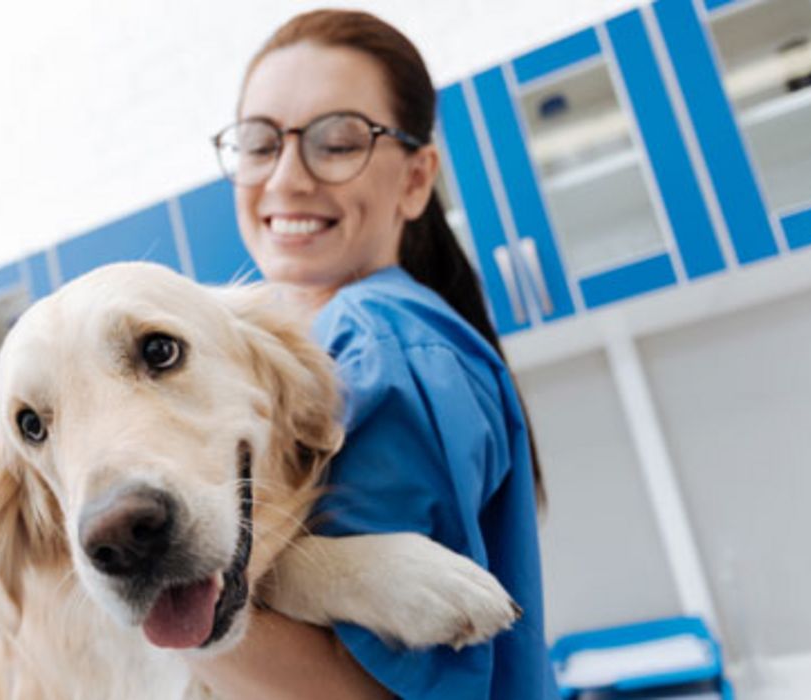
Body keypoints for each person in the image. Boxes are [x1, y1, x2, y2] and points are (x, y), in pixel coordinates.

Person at [184, 9, 558, 699]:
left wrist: (118, 592)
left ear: (415, 179)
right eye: (261, 144)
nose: (287, 179)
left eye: (336, 142)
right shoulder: (342, 347)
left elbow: (364, 689)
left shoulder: (373, 341)